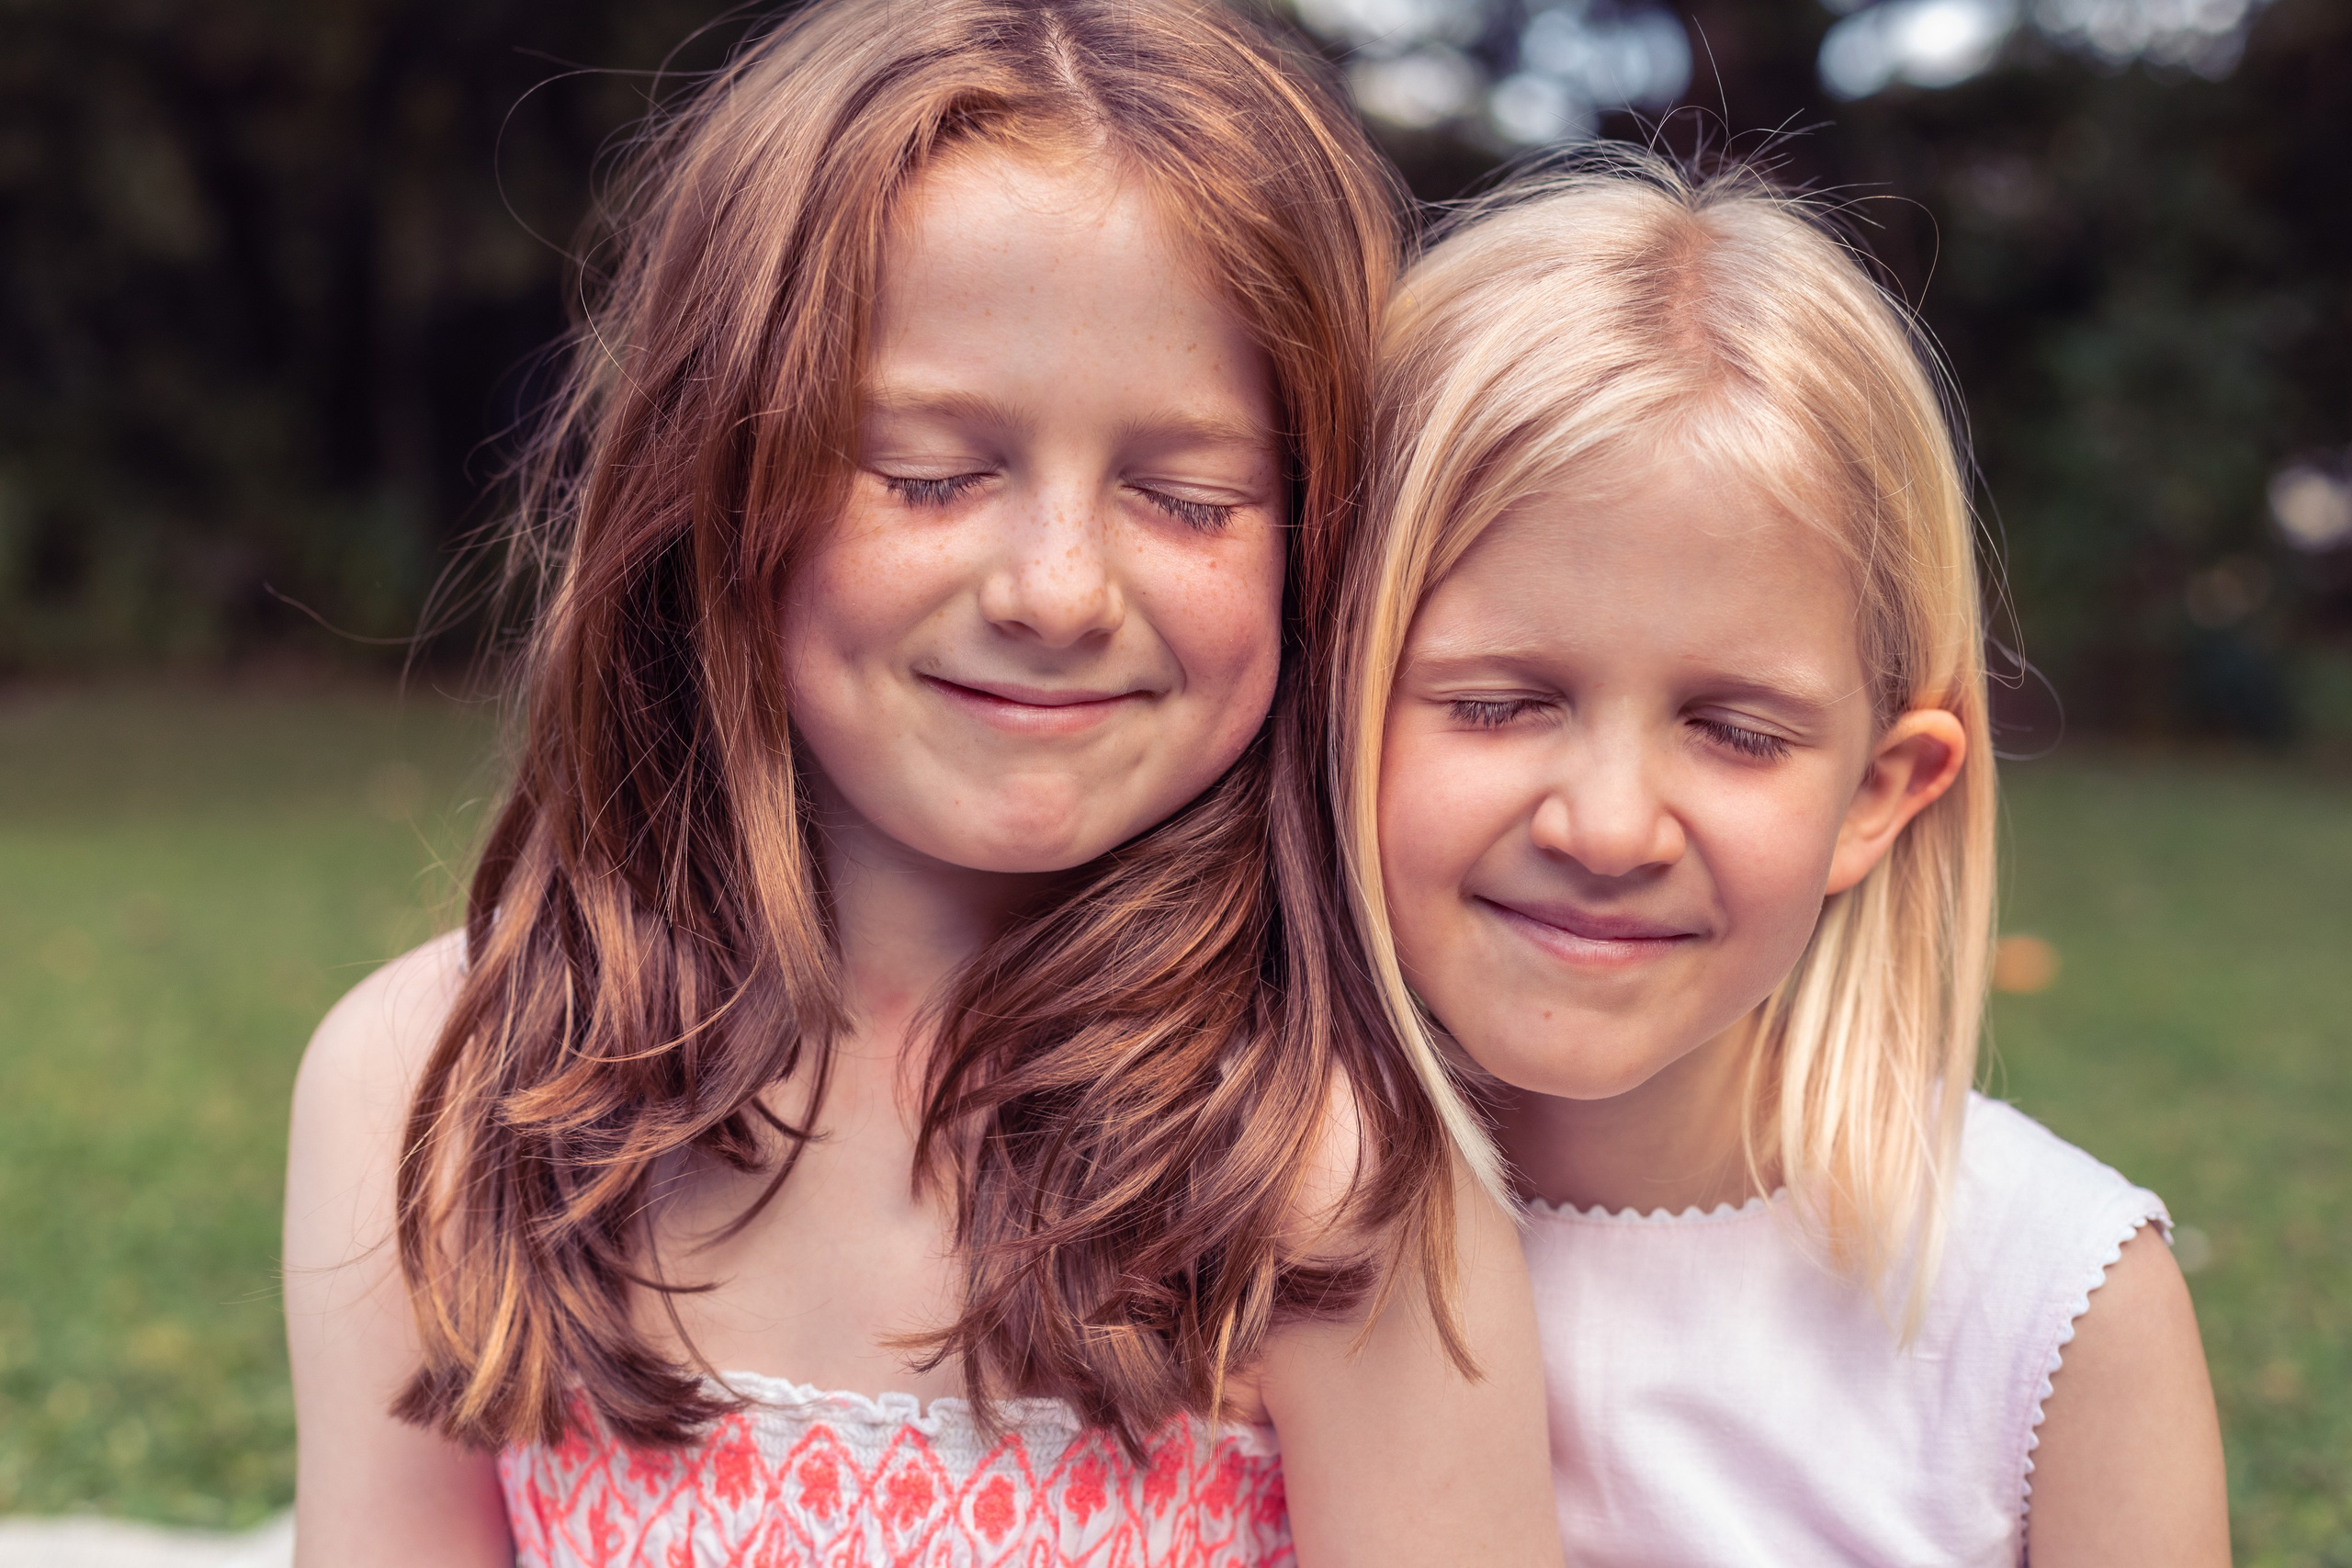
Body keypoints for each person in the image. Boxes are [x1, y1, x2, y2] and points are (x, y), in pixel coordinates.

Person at [282, 4, 1561, 1564]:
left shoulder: (1325, 1168)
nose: (1057, 589)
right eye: (932, 473)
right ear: (709, 475)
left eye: (1187, 495)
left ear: (1321, 543)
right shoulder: (431, 1089)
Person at [1329, 152, 2231, 1567]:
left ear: (1880, 795)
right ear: (1334, 697)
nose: (1610, 827)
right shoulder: (1222, 1210)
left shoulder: (2053, 1303)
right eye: (1498, 703)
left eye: (1735, 732)